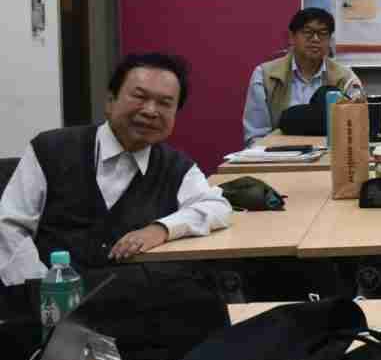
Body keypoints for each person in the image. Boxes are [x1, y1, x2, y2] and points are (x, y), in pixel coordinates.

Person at [1, 53, 233, 283]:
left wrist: (161, 230)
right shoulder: (49, 149)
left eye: (165, 103)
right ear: (110, 101)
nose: (150, 111)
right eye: (140, 97)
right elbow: (10, 227)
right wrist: (41, 286)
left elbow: (216, 207)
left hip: (135, 299)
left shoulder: (177, 167)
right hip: (48, 295)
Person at [240, 7, 364, 145]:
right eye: (308, 32)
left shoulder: (345, 77)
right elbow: (256, 137)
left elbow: (357, 130)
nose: (315, 39)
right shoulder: (265, 76)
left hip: (330, 155)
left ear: (329, 39)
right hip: (276, 154)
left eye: (323, 33)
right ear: (292, 37)